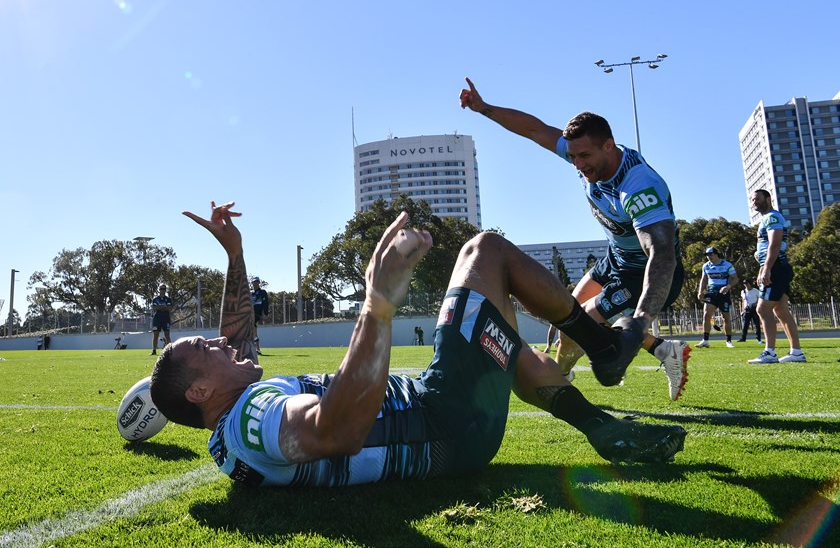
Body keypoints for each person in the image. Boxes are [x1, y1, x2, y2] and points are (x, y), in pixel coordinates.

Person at [149, 202, 686, 487]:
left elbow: (237, 336)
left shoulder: (230, 426)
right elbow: (336, 431)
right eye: (206, 348)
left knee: (500, 338)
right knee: (483, 251)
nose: (224, 343)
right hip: (441, 418)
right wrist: (376, 304)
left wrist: (234, 254)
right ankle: (603, 347)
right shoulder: (253, 418)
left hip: (456, 435)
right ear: (199, 392)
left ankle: (602, 429)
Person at [459, 77, 690, 400]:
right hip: (616, 260)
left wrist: (640, 321)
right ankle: (663, 351)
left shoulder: (638, 186)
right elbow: (535, 130)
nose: (578, 165)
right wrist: (484, 109)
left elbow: (663, 255)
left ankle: (557, 383)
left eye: (584, 156)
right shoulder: (580, 155)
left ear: (608, 145)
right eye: (573, 156)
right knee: (562, 317)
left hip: (645, 273)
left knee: (575, 330)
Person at [748, 189, 805, 364]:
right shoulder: (765, 219)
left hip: (777, 268)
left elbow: (775, 242)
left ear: (767, 198)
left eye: (757, 199)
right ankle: (796, 352)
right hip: (776, 267)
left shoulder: (772, 217)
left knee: (762, 309)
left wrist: (767, 268)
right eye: (752, 200)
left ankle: (770, 352)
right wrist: (762, 268)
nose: (754, 202)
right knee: (780, 310)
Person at [695, 247, 739, 348]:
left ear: (716, 254)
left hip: (723, 294)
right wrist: (700, 291)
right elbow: (704, 279)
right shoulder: (706, 266)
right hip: (711, 293)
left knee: (725, 317)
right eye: (707, 255)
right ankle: (705, 340)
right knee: (706, 315)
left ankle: (728, 340)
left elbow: (735, 279)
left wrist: (727, 287)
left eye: (710, 255)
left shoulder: (727, 265)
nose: (709, 257)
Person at [150, 284, 172, 356]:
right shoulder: (155, 299)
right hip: (157, 319)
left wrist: (160, 307)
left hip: (166, 318)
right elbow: (155, 307)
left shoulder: (168, 299)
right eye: (161, 289)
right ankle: (154, 350)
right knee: (155, 335)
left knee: (167, 335)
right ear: (159, 290)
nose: (162, 290)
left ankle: (169, 351)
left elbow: (169, 308)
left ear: (165, 290)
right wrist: (164, 307)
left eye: (164, 289)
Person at [251, 276, 269, 356]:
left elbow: (265, 303)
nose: (255, 283)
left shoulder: (262, 292)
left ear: (259, 283)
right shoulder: (251, 294)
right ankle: (256, 348)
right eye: (254, 282)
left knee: (253, 327)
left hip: (257, 313)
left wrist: (265, 313)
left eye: (256, 282)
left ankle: (257, 348)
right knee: (252, 329)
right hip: (250, 313)